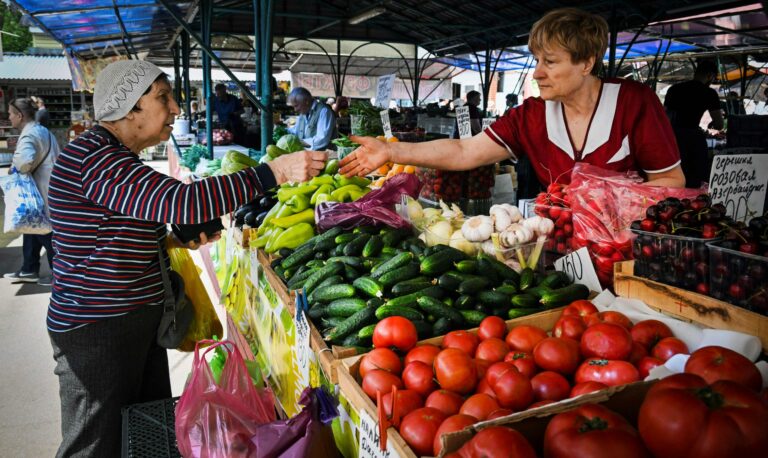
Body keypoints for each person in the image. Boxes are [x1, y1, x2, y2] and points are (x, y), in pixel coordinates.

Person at [46, 60, 326, 458]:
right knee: (94, 445)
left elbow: (107, 234)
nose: (176, 108)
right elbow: (184, 201)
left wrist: (172, 240)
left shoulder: (115, 156)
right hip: (98, 331)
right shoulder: (96, 158)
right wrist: (272, 173)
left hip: (129, 323)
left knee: (143, 432)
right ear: (130, 107)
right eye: (163, 98)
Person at [340, 8, 685, 189]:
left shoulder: (634, 103)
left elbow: (671, 181)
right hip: (562, 254)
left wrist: (611, 203)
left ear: (586, 63)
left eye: (550, 62)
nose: (537, 73)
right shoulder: (531, 115)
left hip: (624, 255)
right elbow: (464, 151)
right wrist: (392, 151)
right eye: (536, 60)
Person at [3, 98, 61, 286]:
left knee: (44, 231)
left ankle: (59, 274)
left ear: (19, 115)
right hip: (48, 187)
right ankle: (29, 269)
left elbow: (24, 162)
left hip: (39, 190)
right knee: (32, 226)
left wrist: (13, 169)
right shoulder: (43, 131)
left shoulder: (29, 134)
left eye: (10, 114)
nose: (9, 118)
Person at [664, 60, 724, 187]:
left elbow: (665, 118)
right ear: (710, 76)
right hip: (693, 139)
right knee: (695, 179)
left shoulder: (674, 89)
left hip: (673, 138)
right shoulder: (709, 93)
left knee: (673, 176)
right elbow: (719, 124)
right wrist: (712, 123)